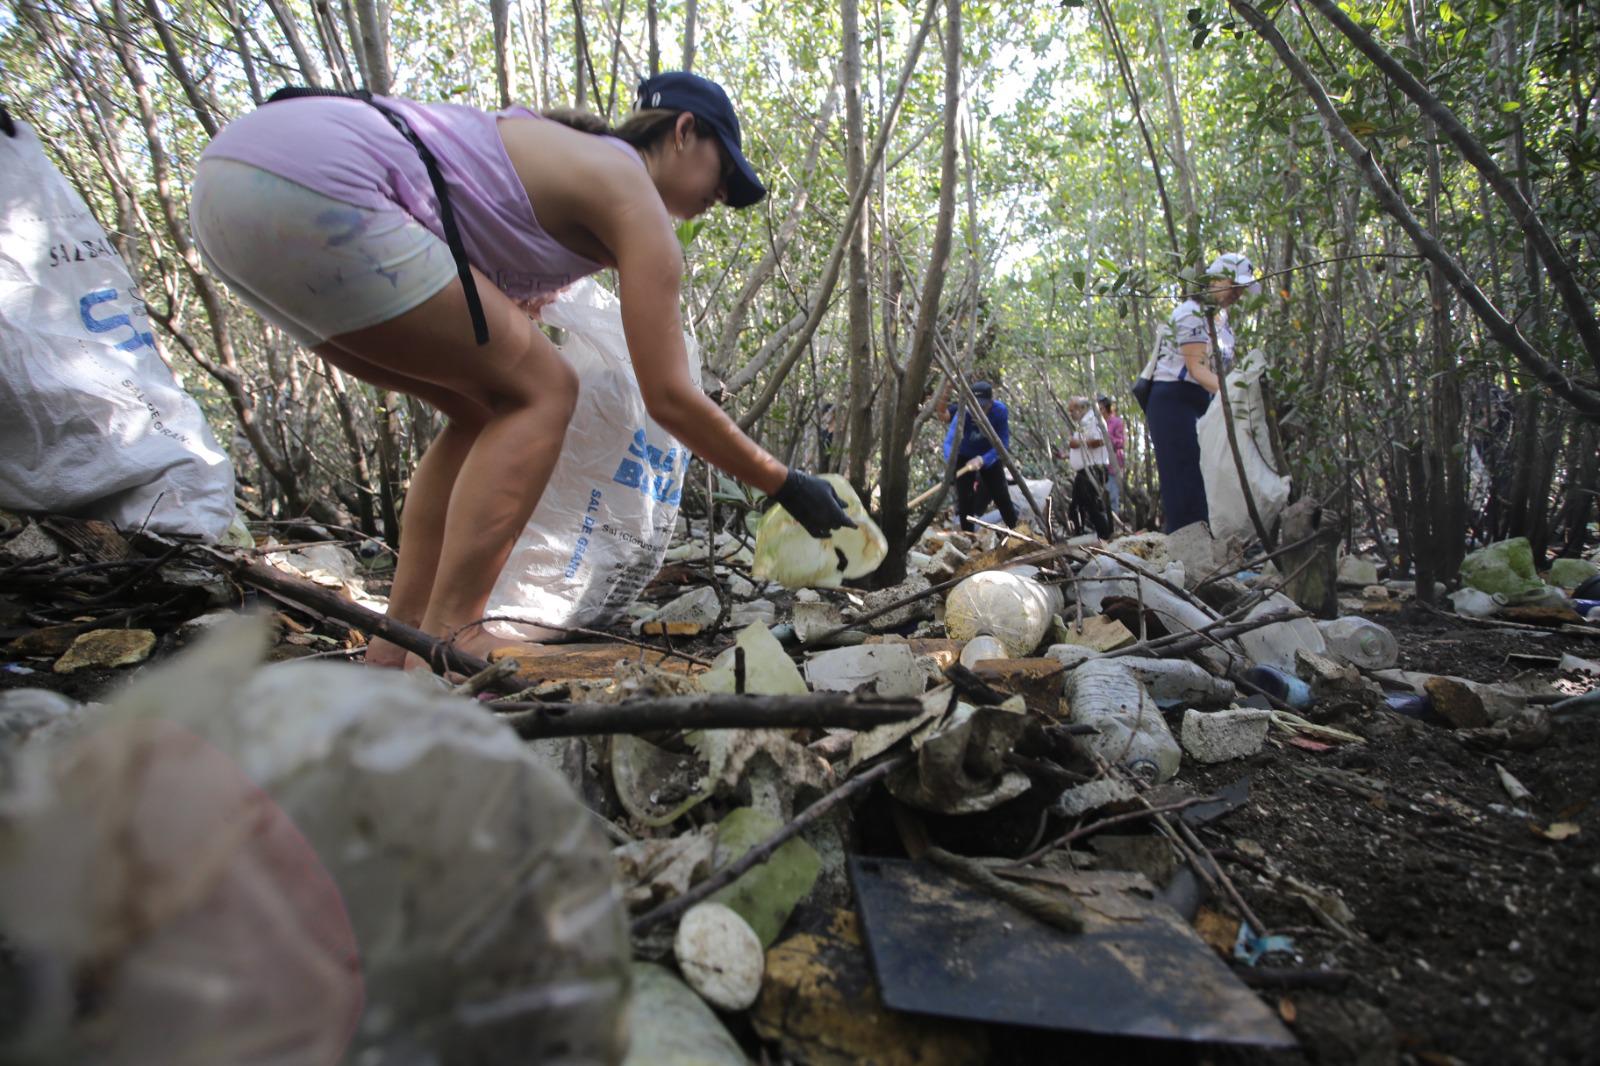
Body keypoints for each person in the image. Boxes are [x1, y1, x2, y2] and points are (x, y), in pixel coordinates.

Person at [189, 71, 855, 667]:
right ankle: (457, 631)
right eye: (724, 173)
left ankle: (401, 641)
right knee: (546, 389)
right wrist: (784, 483)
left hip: (234, 187)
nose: (722, 195)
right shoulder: (632, 194)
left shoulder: (557, 158)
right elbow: (669, 398)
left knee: (483, 406)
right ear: (685, 132)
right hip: (326, 181)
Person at [1145, 253, 1260, 533]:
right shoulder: (1191, 313)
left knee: (1206, 473)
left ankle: (1206, 541)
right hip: (1173, 399)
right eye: (1234, 286)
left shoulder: (1221, 318)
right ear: (1216, 280)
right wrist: (1233, 394)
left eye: (1241, 289)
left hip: (1203, 399)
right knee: (1184, 475)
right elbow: (1195, 368)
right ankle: (1187, 547)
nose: (1237, 294)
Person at [942, 381, 1019, 532]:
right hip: (964, 457)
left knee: (1001, 495)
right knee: (965, 500)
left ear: (991, 401)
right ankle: (968, 537)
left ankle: (1017, 532)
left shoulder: (1000, 411)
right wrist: (951, 461)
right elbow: (949, 442)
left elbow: (1003, 442)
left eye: (984, 406)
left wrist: (984, 459)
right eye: (976, 406)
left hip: (989, 456)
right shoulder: (963, 413)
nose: (980, 410)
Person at [1065, 396, 1112, 540]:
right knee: (1076, 506)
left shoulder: (1094, 420)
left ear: (1082, 408)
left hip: (1093, 469)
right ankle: (1081, 536)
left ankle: (1105, 535)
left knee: (1092, 505)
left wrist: (1079, 442)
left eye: (1073, 410)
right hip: (1084, 470)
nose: (1071, 414)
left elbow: (1100, 440)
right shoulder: (1083, 423)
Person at [1097, 394, 1126, 519]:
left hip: (1114, 466)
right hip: (1100, 466)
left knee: (1113, 497)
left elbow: (1121, 443)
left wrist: (1108, 438)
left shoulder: (1117, 422)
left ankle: (1115, 525)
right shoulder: (1096, 424)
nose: (1099, 411)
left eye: (1101, 408)